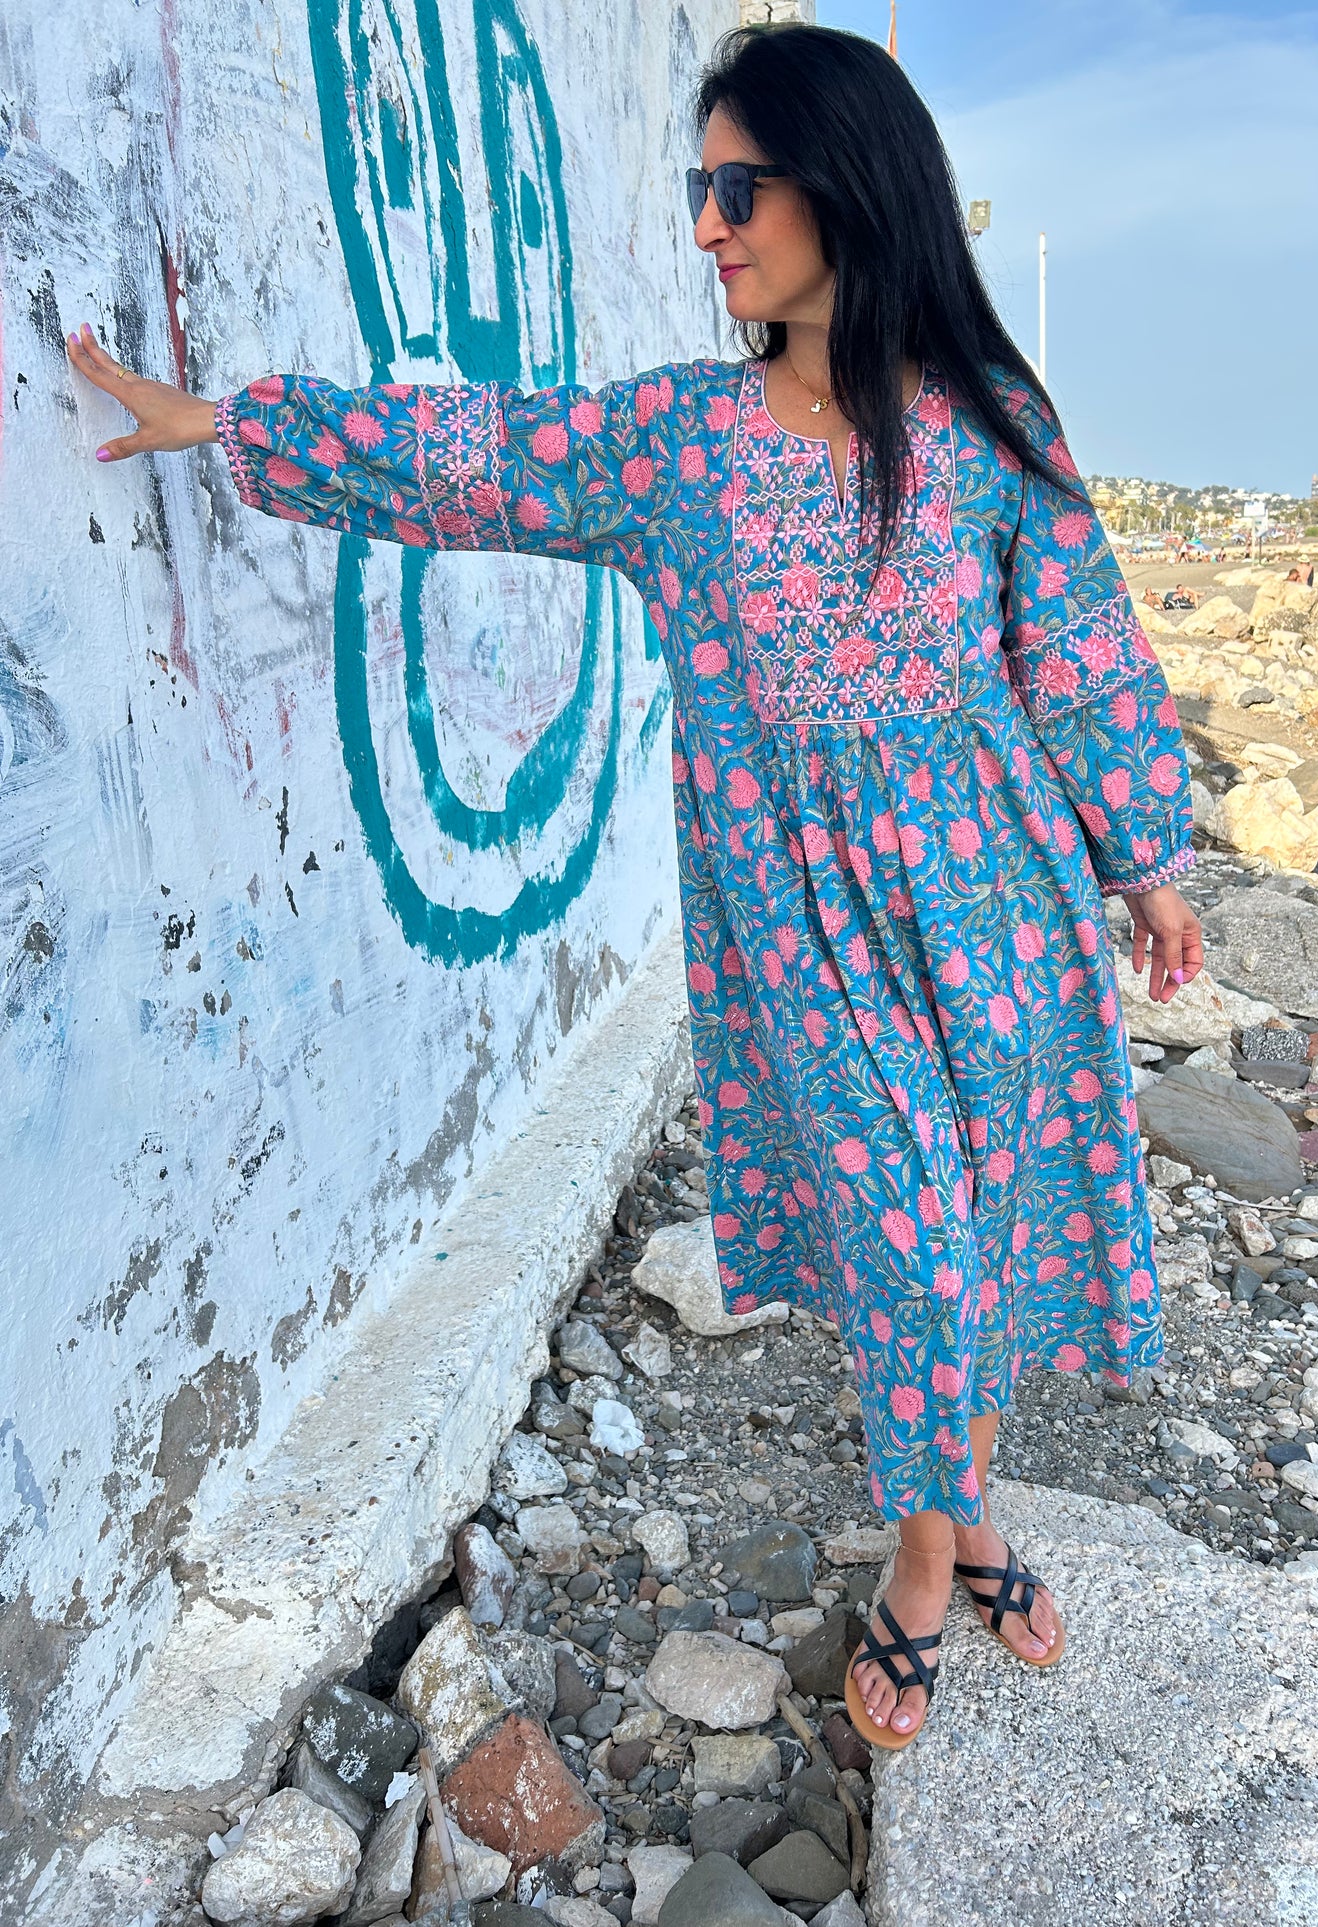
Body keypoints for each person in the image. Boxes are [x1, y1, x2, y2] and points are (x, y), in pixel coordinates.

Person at [66, 21, 1202, 1750]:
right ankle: (926, 1562)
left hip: (1000, 904)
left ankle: (967, 1514)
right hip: (804, 924)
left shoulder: (988, 416)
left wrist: (1147, 861)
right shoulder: (680, 439)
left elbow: (1080, 647)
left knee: (976, 1233)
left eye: (741, 188)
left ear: (852, 185)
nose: (705, 225)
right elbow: (471, 455)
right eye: (698, 187)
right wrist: (234, 422)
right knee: (909, 1247)